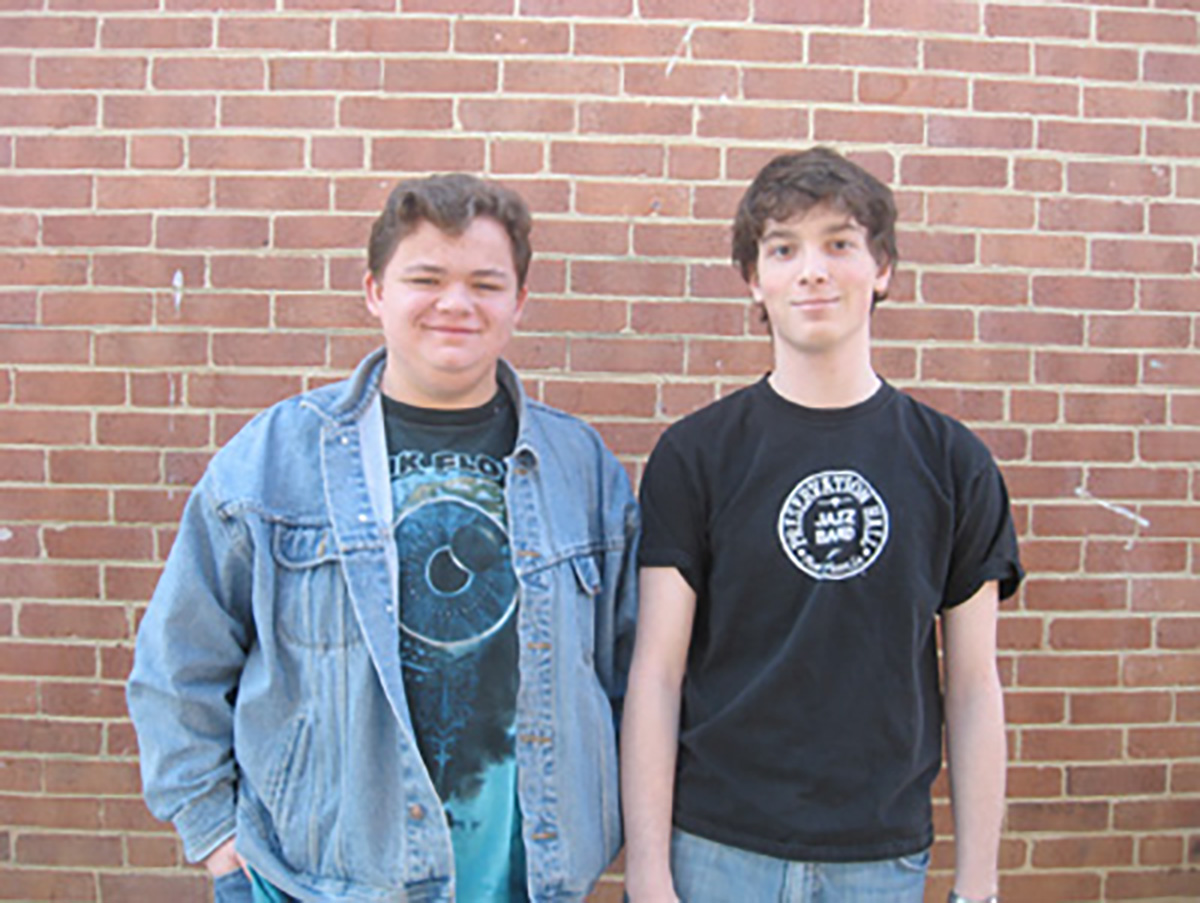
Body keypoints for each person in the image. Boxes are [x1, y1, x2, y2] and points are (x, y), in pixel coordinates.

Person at [127, 174, 638, 903]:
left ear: (518, 302)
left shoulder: (581, 469)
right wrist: (213, 834)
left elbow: (630, 673)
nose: (455, 303)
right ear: (375, 291)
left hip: (531, 881)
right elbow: (177, 662)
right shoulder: (273, 461)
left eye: (485, 284)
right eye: (425, 277)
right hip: (317, 881)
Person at [620, 147, 1023, 903]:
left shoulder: (954, 462)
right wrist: (648, 872)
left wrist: (980, 884)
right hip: (715, 848)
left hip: (879, 855)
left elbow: (972, 686)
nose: (812, 269)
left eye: (839, 242)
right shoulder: (695, 455)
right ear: (754, 279)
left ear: (883, 270)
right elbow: (656, 672)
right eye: (783, 248)